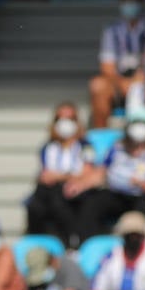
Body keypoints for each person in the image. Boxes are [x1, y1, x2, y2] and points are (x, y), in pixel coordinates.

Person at [75, 107, 145, 241]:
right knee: (91, 204)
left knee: (135, 221)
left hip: (140, 196)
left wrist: (143, 184)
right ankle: (89, 243)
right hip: (115, 193)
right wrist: (81, 184)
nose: (139, 127)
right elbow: (102, 171)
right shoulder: (117, 147)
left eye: (144, 123)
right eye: (135, 123)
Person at [27, 102, 98, 249]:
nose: (65, 123)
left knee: (64, 197)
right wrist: (65, 176)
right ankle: (39, 242)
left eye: (70, 119)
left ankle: (73, 240)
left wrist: (61, 177)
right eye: (60, 119)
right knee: (39, 201)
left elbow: (87, 172)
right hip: (54, 191)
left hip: (78, 191)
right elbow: (46, 175)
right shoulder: (48, 147)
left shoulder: (86, 146)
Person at [89, 0, 145, 128]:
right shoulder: (111, 30)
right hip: (119, 81)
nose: (130, 4)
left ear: (141, 2)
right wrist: (122, 83)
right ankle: (102, 137)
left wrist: (138, 81)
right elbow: (107, 67)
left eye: (133, 0)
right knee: (98, 86)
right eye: (126, 0)